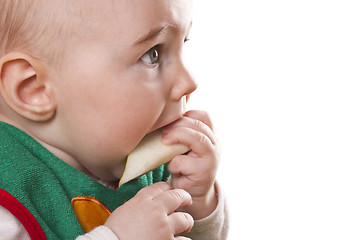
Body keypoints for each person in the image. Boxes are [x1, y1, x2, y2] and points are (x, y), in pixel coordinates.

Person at [0, 0, 228, 239]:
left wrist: (199, 202)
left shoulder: (157, 165)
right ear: (35, 89)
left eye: (184, 42)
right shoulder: (9, 203)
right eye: (153, 54)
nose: (189, 82)